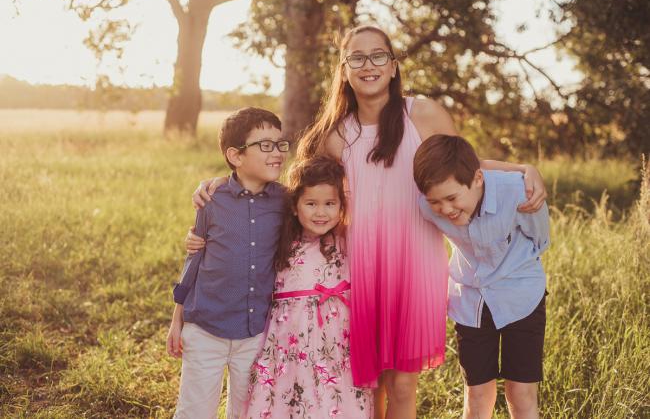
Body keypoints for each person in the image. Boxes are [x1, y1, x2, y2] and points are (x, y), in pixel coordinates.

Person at [191, 25, 547, 419]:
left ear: (393, 66)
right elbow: (298, 193)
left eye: (378, 55)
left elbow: (465, 168)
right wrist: (221, 185)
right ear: (343, 70)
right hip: (356, 269)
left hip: (415, 267)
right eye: (356, 58)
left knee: (403, 384)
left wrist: (521, 168)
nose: (368, 65)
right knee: (366, 384)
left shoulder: (421, 114)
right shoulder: (336, 136)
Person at [413, 134, 549, 419]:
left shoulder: (519, 193)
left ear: (478, 179)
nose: (446, 210)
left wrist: (526, 169)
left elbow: (540, 238)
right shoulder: (426, 205)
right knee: (476, 391)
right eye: (436, 202)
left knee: (520, 391)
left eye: (452, 198)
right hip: (470, 300)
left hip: (521, 295)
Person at [166, 107, 290, 419]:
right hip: (206, 328)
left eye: (280, 144)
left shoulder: (287, 202)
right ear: (236, 155)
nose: (276, 152)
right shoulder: (211, 199)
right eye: (265, 145)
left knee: (248, 412)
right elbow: (194, 259)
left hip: (255, 333)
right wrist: (176, 318)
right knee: (195, 412)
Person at [243, 155, 373, 418]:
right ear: (294, 206)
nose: (321, 212)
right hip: (291, 345)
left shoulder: (347, 239)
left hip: (335, 345)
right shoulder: (281, 242)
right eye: (311, 203)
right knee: (290, 398)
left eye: (330, 204)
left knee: (335, 399)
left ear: (341, 205)